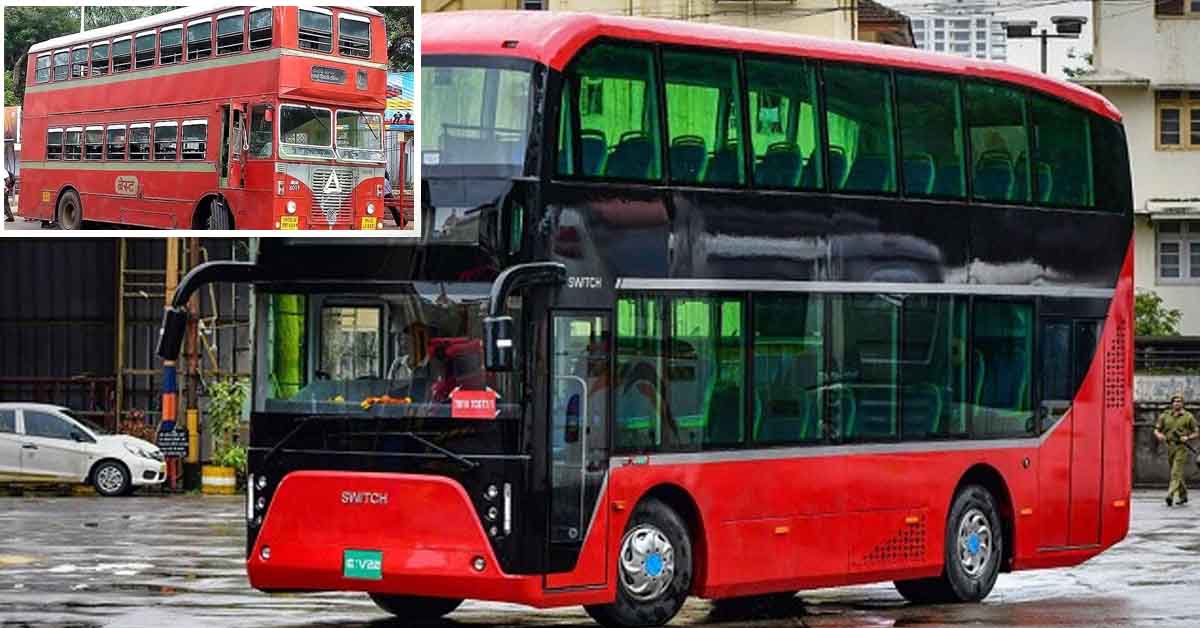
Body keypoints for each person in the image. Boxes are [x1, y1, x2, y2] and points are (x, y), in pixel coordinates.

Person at [1155, 393, 1198, 506]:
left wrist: (1187, 437)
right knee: (1177, 473)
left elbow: (1196, 432)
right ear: (1171, 403)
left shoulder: (1188, 416)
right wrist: (1158, 435)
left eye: (1179, 401)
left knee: (1175, 472)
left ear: (1183, 404)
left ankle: (1170, 494)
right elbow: (1157, 429)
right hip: (1169, 446)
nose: (1177, 403)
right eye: (1175, 401)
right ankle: (1183, 496)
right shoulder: (1164, 415)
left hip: (1182, 447)